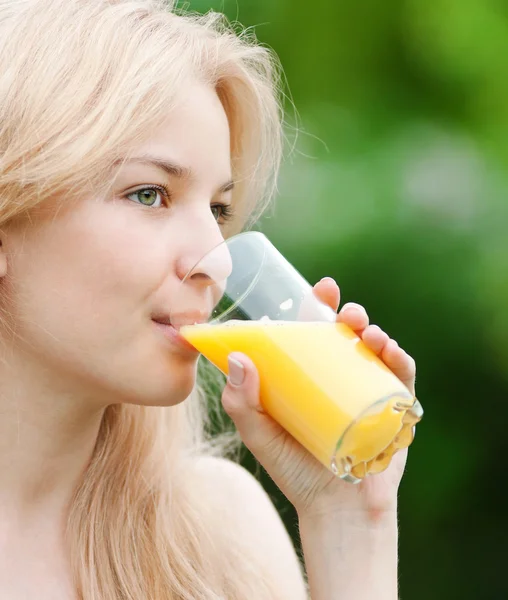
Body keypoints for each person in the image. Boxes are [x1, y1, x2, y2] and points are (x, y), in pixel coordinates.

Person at [0, 1, 417, 598]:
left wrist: (352, 520)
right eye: (150, 195)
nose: (216, 259)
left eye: (219, 209)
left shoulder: (219, 535)